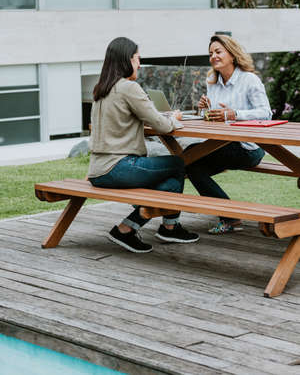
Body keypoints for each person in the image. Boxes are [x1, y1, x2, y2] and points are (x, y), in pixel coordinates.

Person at [88, 37, 199, 253]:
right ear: (127, 60)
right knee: (177, 164)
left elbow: (138, 116)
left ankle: (141, 227)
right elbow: (162, 125)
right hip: (119, 167)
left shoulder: (101, 89)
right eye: (138, 59)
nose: (139, 64)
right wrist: (175, 118)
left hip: (97, 171)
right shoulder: (129, 87)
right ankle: (163, 227)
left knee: (169, 181)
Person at [185, 34, 272, 235]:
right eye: (210, 53)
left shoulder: (249, 80)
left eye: (218, 51)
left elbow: (266, 113)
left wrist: (235, 113)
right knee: (191, 163)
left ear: (232, 55)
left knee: (188, 157)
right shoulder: (212, 81)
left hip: (248, 148)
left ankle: (166, 214)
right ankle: (229, 217)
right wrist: (204, 110)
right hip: (221, 144)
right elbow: (216, 117)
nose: (213, 56)